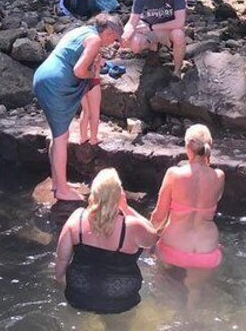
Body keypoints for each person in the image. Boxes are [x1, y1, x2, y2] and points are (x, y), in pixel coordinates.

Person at [33, 14, 123, 202]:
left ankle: (58, 182)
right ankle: (62, 190)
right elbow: (79, 71)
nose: (113, 43)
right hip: (55, 85)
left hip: (44, 77)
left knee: (58, 135)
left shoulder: (82, 30)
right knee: (61, 138)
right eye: (114, 38)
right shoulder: (95, 39)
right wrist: (94, 71)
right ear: (107, 32)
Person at [55, 168, 158, 314]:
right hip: (120, 300)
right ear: (119, 195)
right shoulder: (132, 226)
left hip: (79, 295)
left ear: (93, 193)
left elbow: (61, 259)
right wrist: (126, 208)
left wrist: (59, 282)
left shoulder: (77, 218)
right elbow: (153, 238)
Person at [151, 124, 225, 272]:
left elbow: (159, 216)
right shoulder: (219, 176)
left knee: (167, 291)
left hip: (173, 248)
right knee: (196, 293)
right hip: (207, 251)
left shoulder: (174, 174)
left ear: (187, 147)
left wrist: (147, 240)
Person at [121, 0, 187, 75]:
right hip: (147, 26)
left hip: (166, 28)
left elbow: (180, 22)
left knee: (179, 35)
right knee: (135, 45)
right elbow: (132, 23)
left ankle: (177, 70)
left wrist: (152, 27)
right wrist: (126, 33)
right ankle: (153, 47)